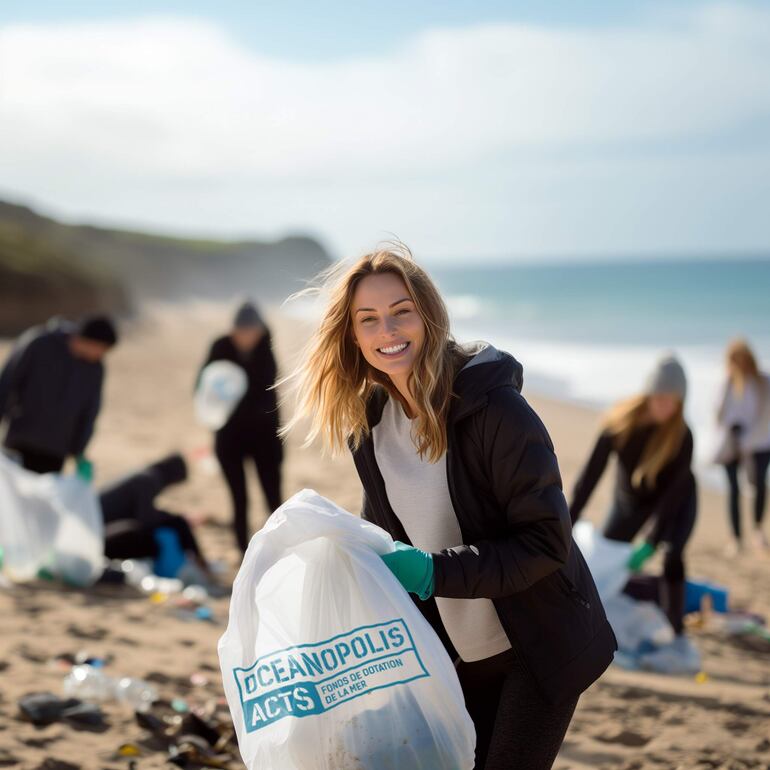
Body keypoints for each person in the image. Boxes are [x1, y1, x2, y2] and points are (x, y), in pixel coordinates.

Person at [282, 247, 616, 770]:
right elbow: (384, 536)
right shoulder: (369, 427)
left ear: (428, 315)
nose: (387, 329)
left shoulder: (495, 410)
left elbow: (546, 543)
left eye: (401, 311)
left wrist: (433, 571)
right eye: (368, 319)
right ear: (352, 335)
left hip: (537, 645)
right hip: (455, 655)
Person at [570, 355, 696, 643]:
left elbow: (672, 496)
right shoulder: (620, 424)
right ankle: (600, 608)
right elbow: (589, 477)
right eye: (660, 397)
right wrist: (566, 519)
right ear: (649, 392)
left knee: (672, 554)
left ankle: (676, 630)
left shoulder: (682, 436)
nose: (665, 405)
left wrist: (651, 540)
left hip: (677, 499)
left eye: (673, 400)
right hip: (630, 500)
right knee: (611, 552)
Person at [199, 302, 283, 553]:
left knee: (273, 497)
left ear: (259, 330)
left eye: (250, 331)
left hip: (264, 436)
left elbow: (266, 393)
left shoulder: (266, 348)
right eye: (240, 331)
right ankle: (242, 551)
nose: (245, 337)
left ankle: (280, 548)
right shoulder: (220, 346)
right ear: (232, 330)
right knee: (239, 498)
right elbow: (204, 386)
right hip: (229, 437)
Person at [0, 315, 118, 476]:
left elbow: (90, 410)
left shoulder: (96, 369)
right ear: (91, 341)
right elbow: (7, 382)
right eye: (102, 349)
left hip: (55, 450)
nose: (101, 355)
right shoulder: (38, 343)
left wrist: (79, 452)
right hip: (20, 439)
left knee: (41, 500)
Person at [100, 453, 212, 583]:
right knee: (174, 527)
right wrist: (174, 518)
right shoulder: (148, 479)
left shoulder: (143, 475)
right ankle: (200, 564)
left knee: (175, 524)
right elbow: (146, 520)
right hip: (103, 538)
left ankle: (199, 562)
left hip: (103, 533)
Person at [714, 339, 770, 554]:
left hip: (760, 443)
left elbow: (766, 416)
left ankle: (758, 530)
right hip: (731, 443)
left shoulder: (763, 382)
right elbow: (718, 414)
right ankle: (736, 538)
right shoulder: (727, 383)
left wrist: (748, 439)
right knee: (733, 489)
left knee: (759, 485)